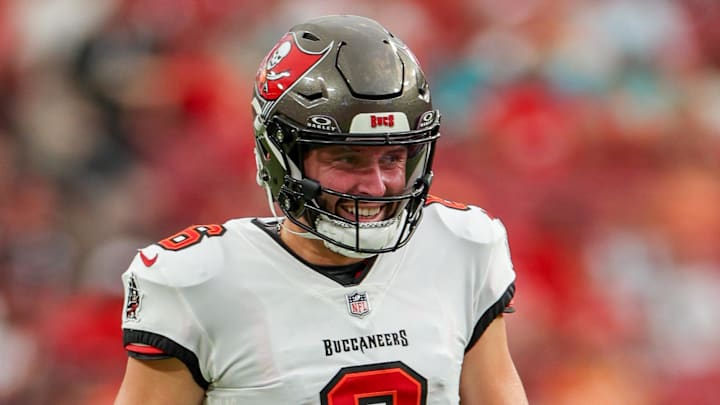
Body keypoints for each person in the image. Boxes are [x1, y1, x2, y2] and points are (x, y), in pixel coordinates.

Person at [114, 14, 528, 405]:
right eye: (347, 160)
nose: (376, 185)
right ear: (282, 156)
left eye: (392, 159)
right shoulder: (197, 282)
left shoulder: (461, 246)